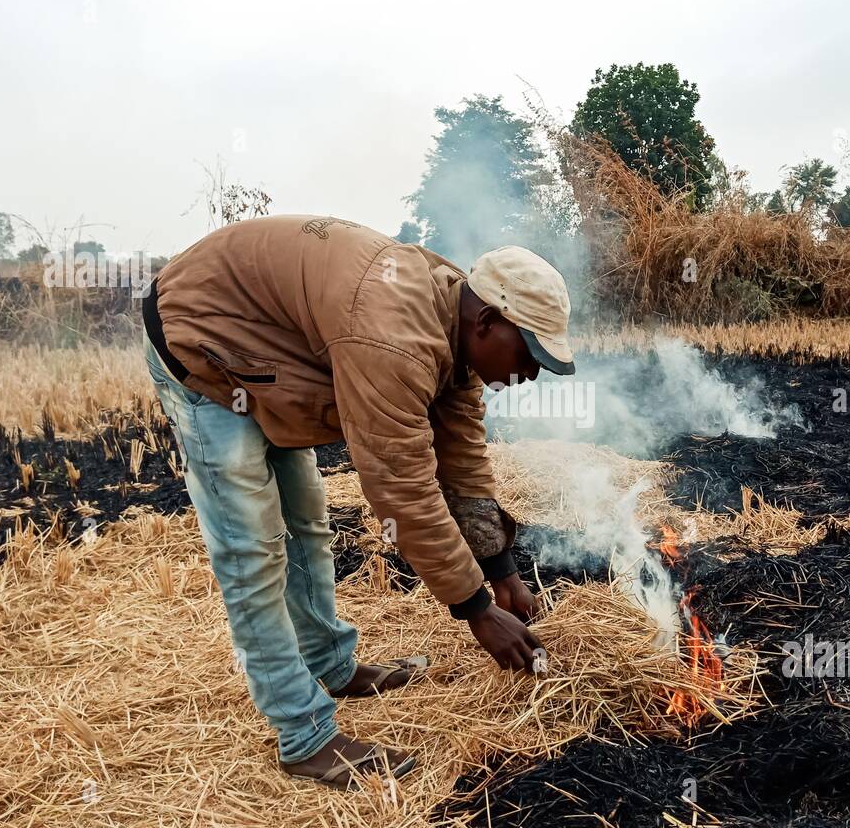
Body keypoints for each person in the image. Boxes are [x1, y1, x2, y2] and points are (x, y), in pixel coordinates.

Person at [141, 215, 575, 788]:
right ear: (489, 321)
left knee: (306, 526)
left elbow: (463, 464)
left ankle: (331, 665)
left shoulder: (454, 334)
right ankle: (303, 737)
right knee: (254, 550)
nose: (528, 376)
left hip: (276, 354)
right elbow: (402, 487)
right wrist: (476, 611)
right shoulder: (392, 338)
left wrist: (500, 568)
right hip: (202, 344)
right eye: (529, 356)